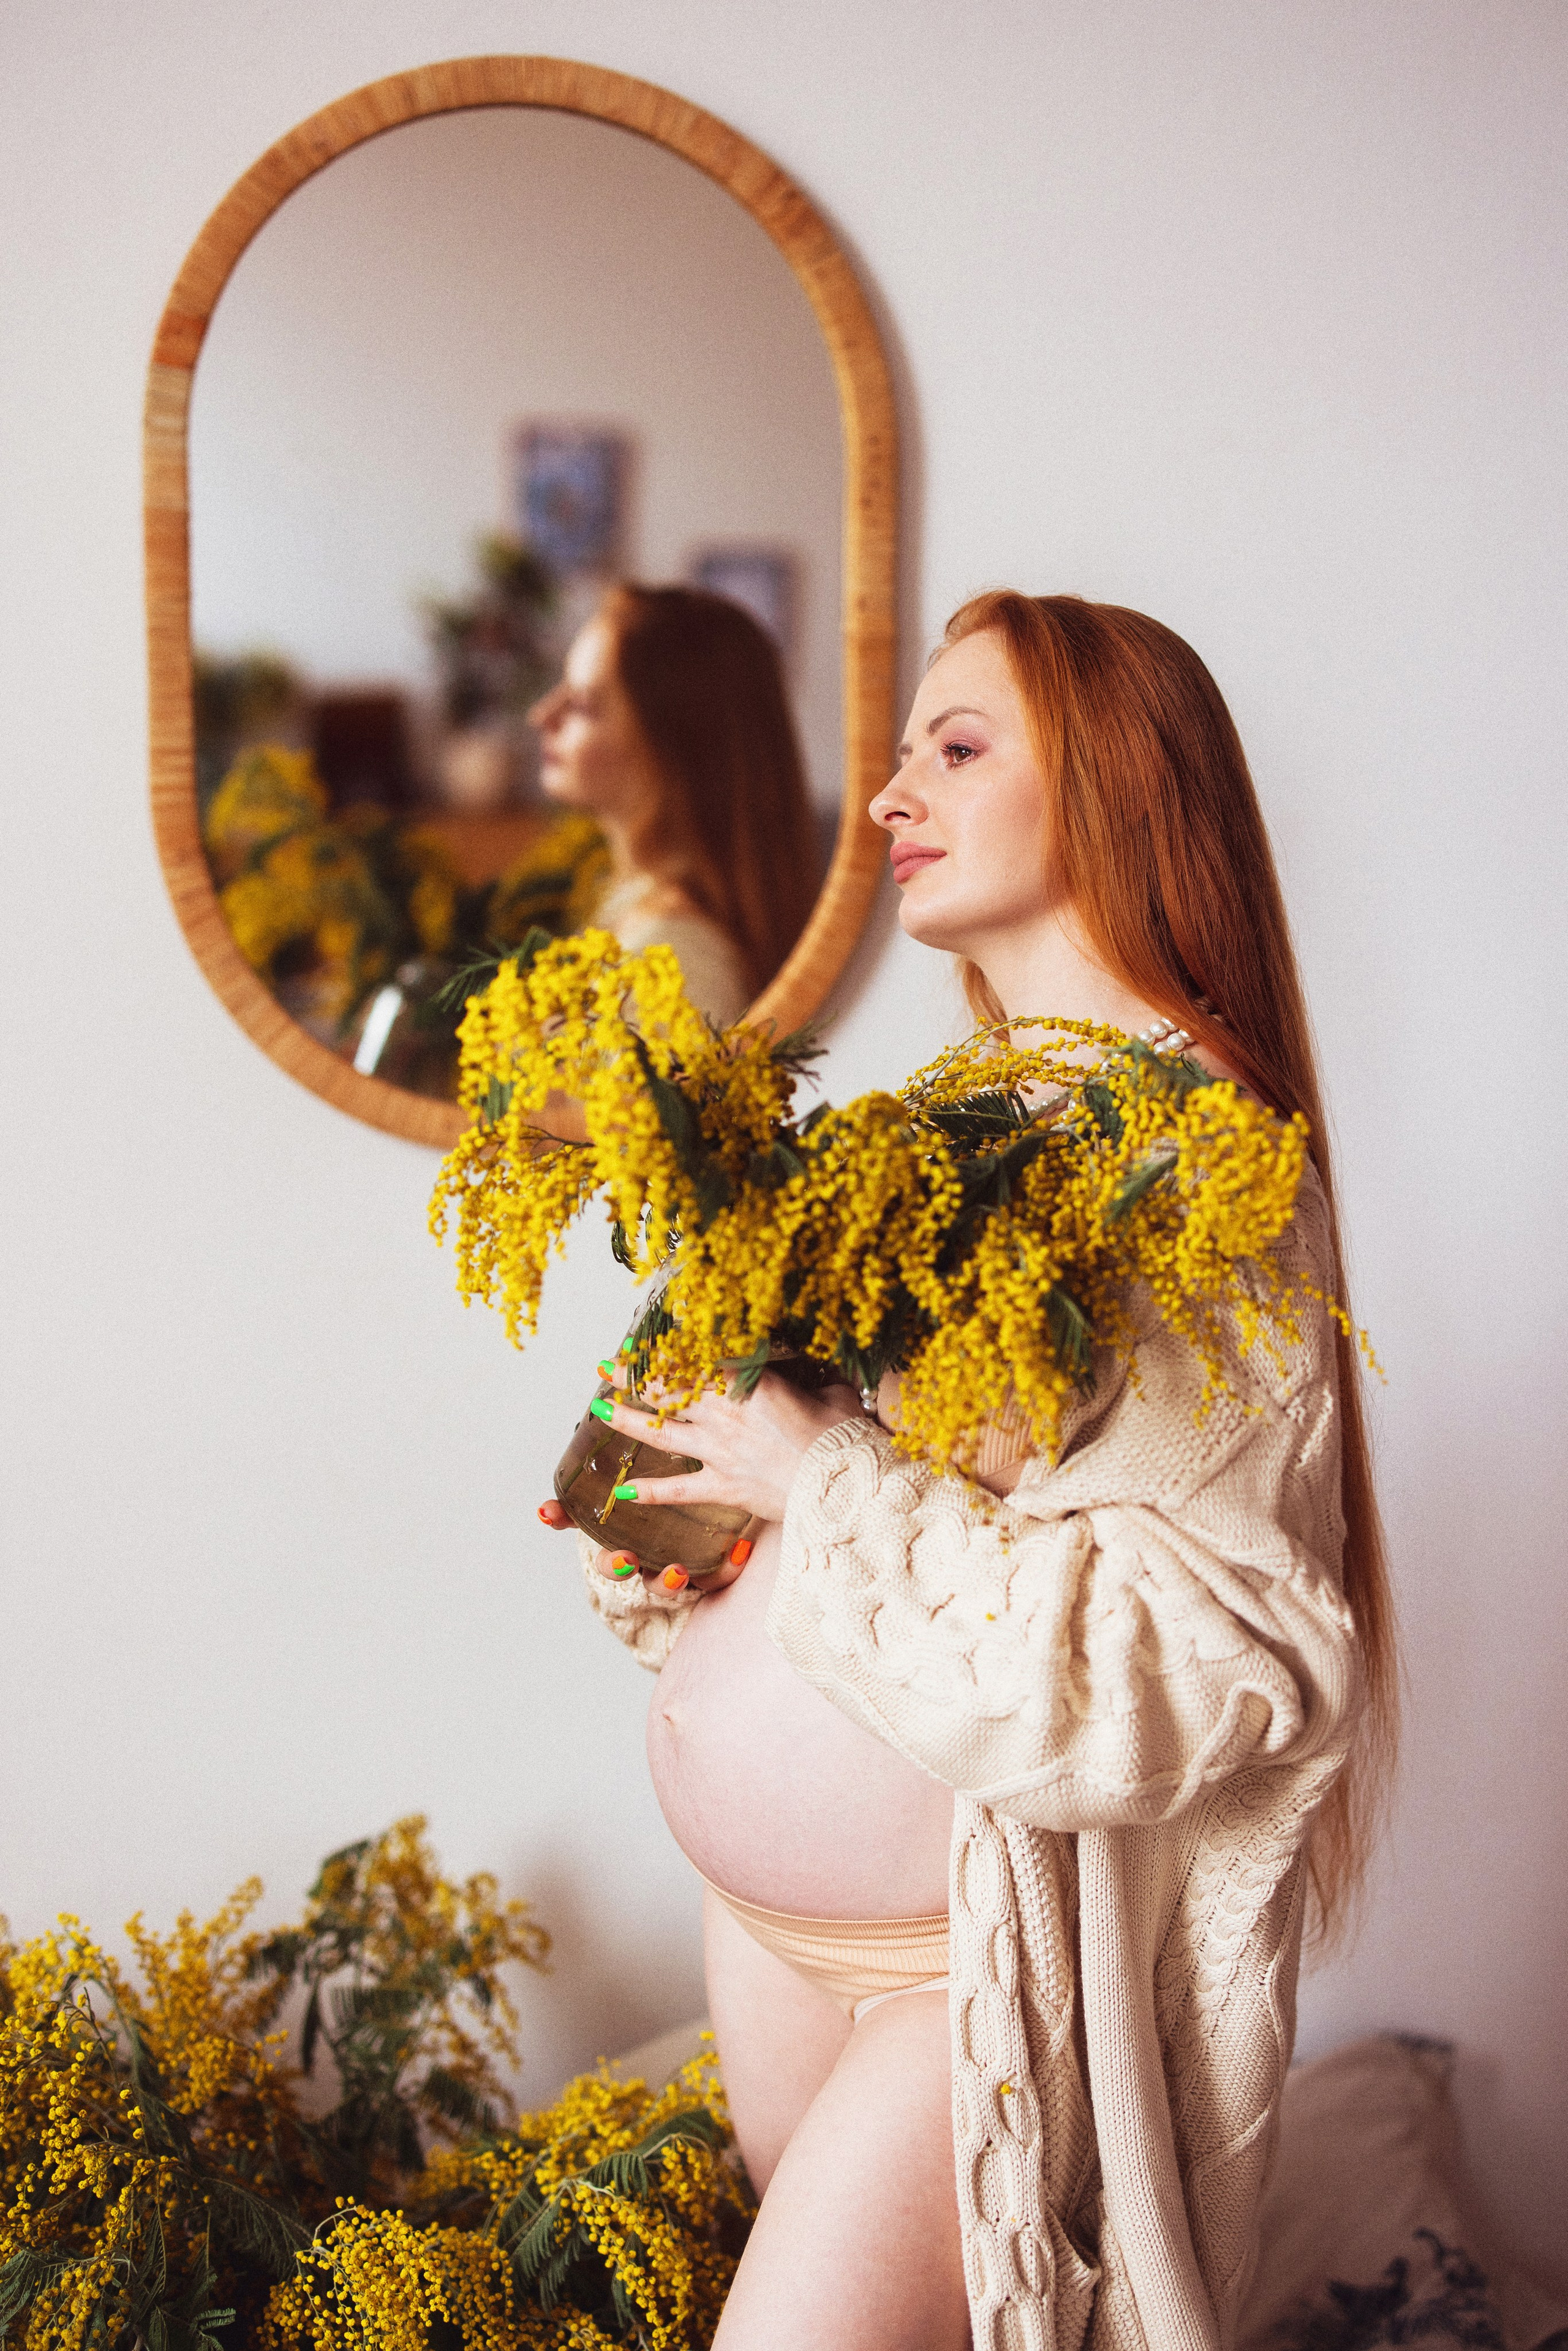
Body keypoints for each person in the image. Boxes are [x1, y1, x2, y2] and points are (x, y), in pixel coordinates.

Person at [539, 592, 1396, 2350]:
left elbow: (1213, 1652)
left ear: (1112, 784)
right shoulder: (937, 1131)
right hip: (780, 1935)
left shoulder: (1199, 1167)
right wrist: (677, 1522)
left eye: (956, 744)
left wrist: (819, 1473)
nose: (885, 800)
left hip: (973, 1970)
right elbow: (856, 1516)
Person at [527, 583, 820, 1027]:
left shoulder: (676, 956)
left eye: (583, 704)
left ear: (673, 745)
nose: (543, 715)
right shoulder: (636, 904)